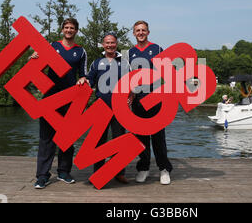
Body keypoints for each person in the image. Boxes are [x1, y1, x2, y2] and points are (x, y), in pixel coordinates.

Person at [30, 18, 87, 189]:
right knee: (46, 138)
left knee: (67, 137)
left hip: (71, 99)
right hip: (50, 98)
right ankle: (42, 175)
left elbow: (83, 74)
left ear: (76, 31)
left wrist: (83, 79)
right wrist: (32, 58)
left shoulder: (81, 51)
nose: (69, 30)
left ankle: (63, 171)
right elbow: (34, 67)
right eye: (66, 27)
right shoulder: (51, 46)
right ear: (62, 30)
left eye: (72, 28)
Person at [77, 32, 131, 184]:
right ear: (103, 44)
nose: (110, 45)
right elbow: (90, 81)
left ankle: (119, 173)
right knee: (98, 141)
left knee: (119, 141)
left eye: (112, 42)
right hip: (101, 108)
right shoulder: (97, 62)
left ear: (116, 44)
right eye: (107, 43)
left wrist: (130, 98)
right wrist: (84, 79)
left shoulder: (125, 63)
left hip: (119, 109)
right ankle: (99, 172)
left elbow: (131, 83)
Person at [128, 20, 173, 185]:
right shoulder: (130, 52)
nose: (140, 33)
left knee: (158, 136)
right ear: (133, 33)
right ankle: (144, 168)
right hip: (138, 99)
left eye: (143, 30)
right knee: (140, 136)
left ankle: (164, 169)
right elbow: (128, 77)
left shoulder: (157, 49)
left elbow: (167, 72)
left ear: (148, 32)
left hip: (155, 97)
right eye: (137, 30)